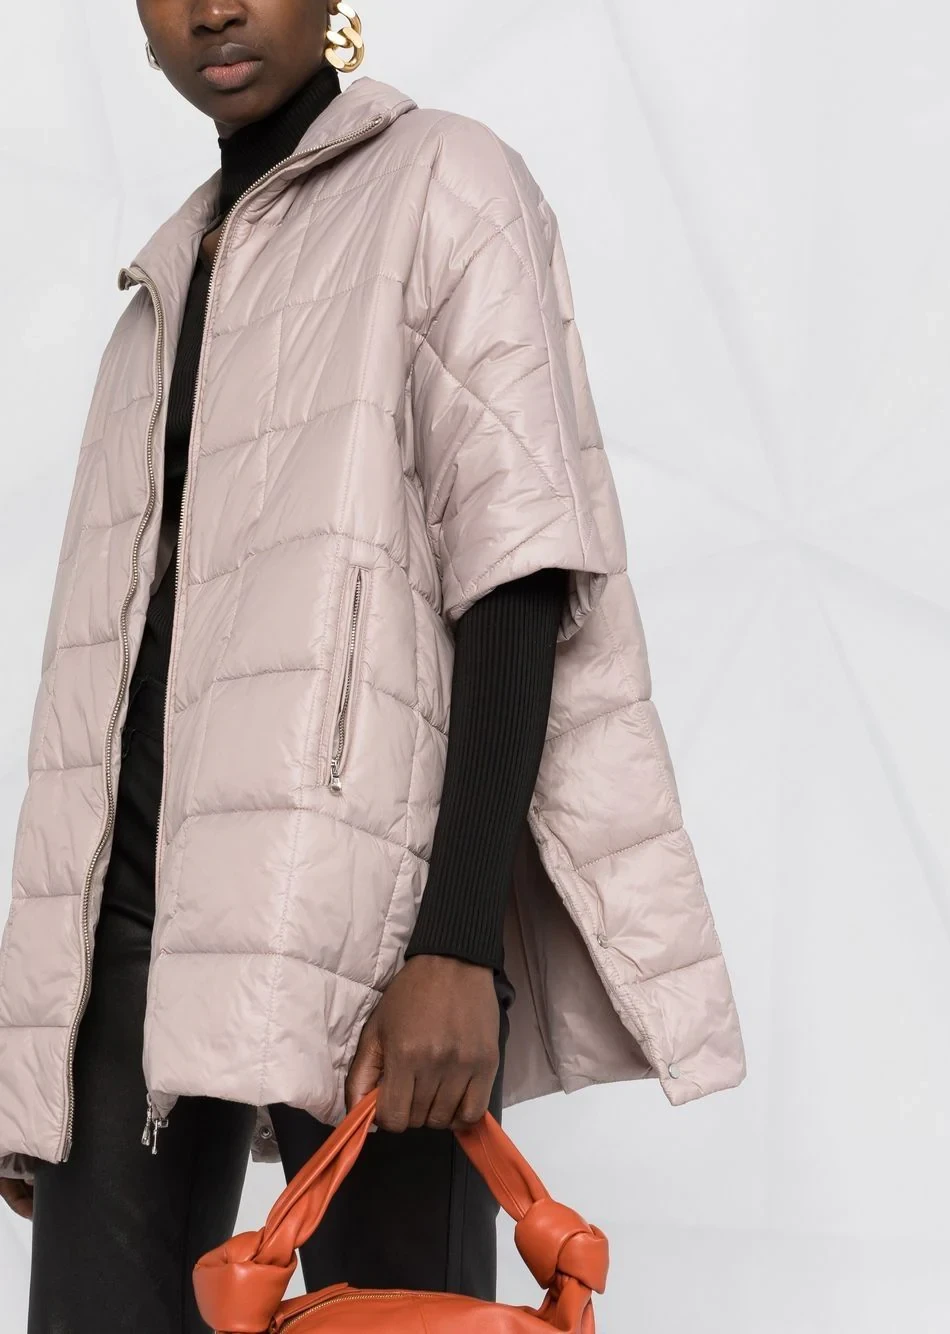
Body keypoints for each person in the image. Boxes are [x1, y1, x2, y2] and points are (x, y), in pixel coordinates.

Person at [0, 3, 747, 1332]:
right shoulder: (157, 290)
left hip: (370, 923)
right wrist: (38, 1017)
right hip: (124, 929)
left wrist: (454, 943)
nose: (213, 7)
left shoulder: (445, 179)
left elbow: (518, 572)